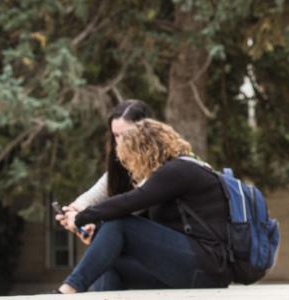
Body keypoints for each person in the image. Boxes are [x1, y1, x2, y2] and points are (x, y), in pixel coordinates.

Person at [56, 119, 232, 293]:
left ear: (143, 151)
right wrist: (96, 230)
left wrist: (80, 218)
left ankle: (68, 290)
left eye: (130, 159)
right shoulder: (176, 171)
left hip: (208, 268)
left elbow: (129, 202)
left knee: (119, 223)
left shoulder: (178, 170)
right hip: (191, 267)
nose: (131, 167)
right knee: (106, 262)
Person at [55, 100, 153, 243]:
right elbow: (90, 197)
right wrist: (73, 213)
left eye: (126, 135)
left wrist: (87, 219)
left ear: (146, 133)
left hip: (165, 246)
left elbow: (131, 206)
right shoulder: (122, 168)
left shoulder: (160, 167)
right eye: (116, 135)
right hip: (135, 246)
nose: (120, 143)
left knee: (115, 225)